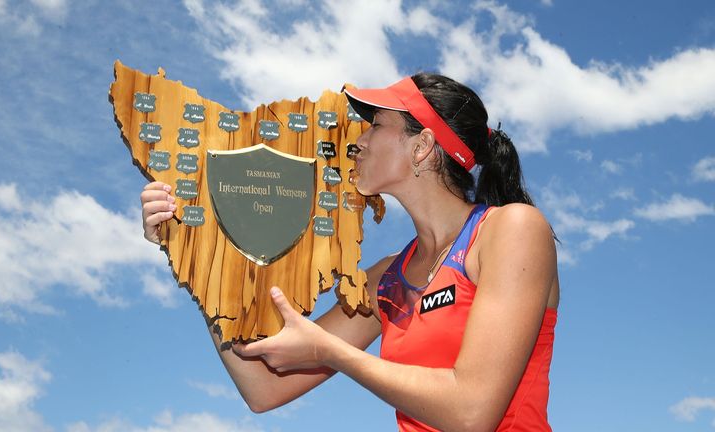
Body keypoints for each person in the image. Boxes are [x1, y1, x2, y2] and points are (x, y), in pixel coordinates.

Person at [140, 73, 559, 431]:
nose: (358, 141)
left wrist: (327, 350)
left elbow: (472, 412)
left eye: (375, 125)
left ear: (421, 146)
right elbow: (264, 387)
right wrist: (193, 251)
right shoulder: (386, 279)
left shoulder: (512, 230)